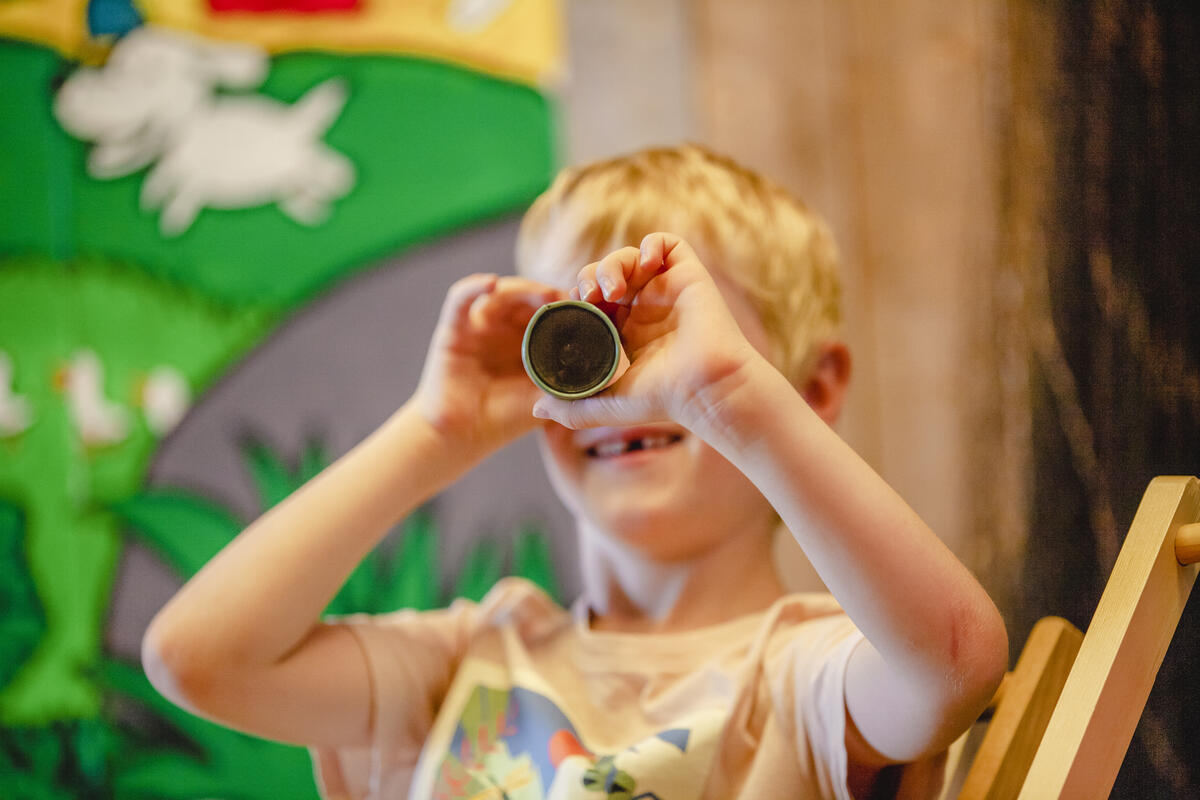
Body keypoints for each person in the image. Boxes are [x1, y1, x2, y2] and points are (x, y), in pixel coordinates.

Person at [143, 144, 1008, 800]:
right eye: (576, 341)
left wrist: (727, 399)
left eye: (669, 337)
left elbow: (956, 665)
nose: (623, 390)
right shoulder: (467, 663)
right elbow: (196, 659)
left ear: (810, 388)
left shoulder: (803, 675)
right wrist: (435, 432)